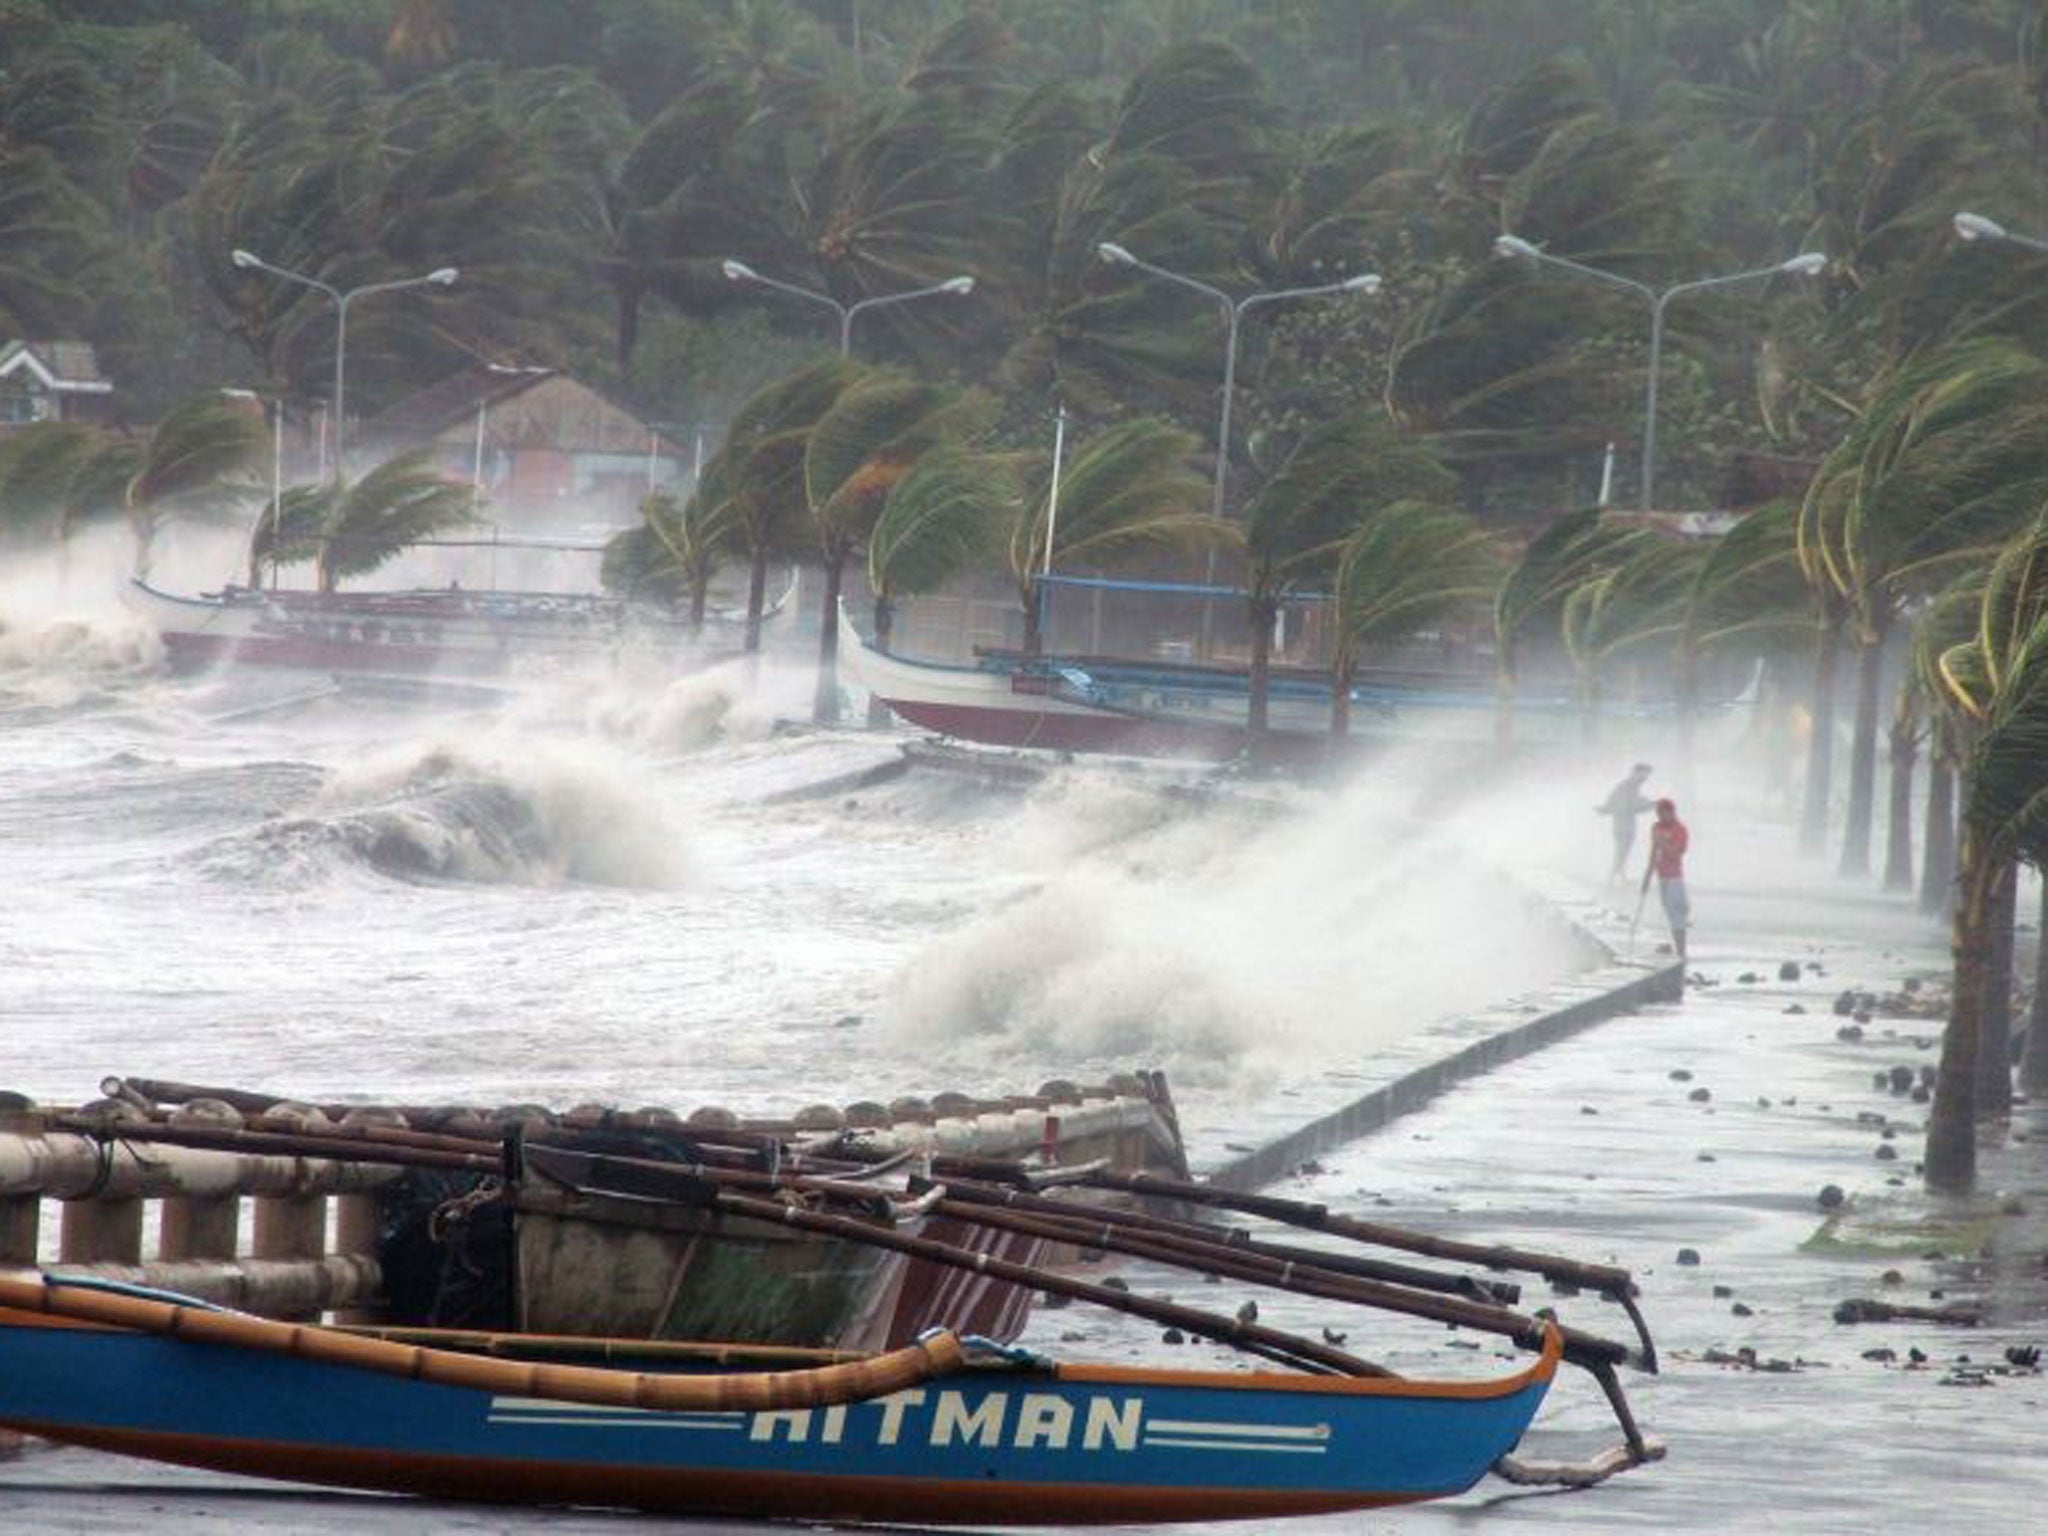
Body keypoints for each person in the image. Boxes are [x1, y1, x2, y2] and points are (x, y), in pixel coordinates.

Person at [1643, 797, 1690, 962]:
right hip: (1661, 877)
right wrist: (1647, 876)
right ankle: (1678, 949)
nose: (1659, 817)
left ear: (1670, 812)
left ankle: (1681, 952)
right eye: (1657, 813)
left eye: (1662, 813)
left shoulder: (1680, 830)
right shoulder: (1656, 827)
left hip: (1675, 878)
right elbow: (1653, 852)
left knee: (1677, 915)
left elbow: (1678, 853)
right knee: (1669, 914)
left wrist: (1664, 844)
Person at [1596, 763, 1655, 881]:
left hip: (1624, 822)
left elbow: (1617, 802)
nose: (1645, 778)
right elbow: (1629, 805)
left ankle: (1620, 876)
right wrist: (1648, 805)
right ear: (1636, 773)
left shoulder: (1629, 786)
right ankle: (1611, 877)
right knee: (1622, 849)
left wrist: (1647, 804)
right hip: (1623, 823)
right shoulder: (1628, 786)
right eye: (1644, 774)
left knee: (1623, 849)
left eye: (1647, 775)